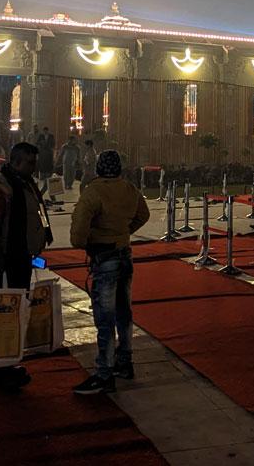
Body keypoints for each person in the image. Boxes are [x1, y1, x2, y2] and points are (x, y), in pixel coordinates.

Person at [70, 149, 149, 395]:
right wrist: (123, 232)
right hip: (125, 254)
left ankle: (104, 373)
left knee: (104, 318)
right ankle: (124, 362)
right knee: (124, 313)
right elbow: (143, 215)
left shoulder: (93, 192)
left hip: (104, 258)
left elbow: (77, 235)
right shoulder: (129, 189)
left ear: (98, 168)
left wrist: (92, 240)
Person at [0, 142, 51, 391]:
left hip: (21, 258)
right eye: (30, 163)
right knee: (2, 316)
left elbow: (37, 215)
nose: (34, 168)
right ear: (16, 161)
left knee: (16, 314)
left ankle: (8, 364)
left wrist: (40, 240)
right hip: (4, 260)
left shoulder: (26, 185)